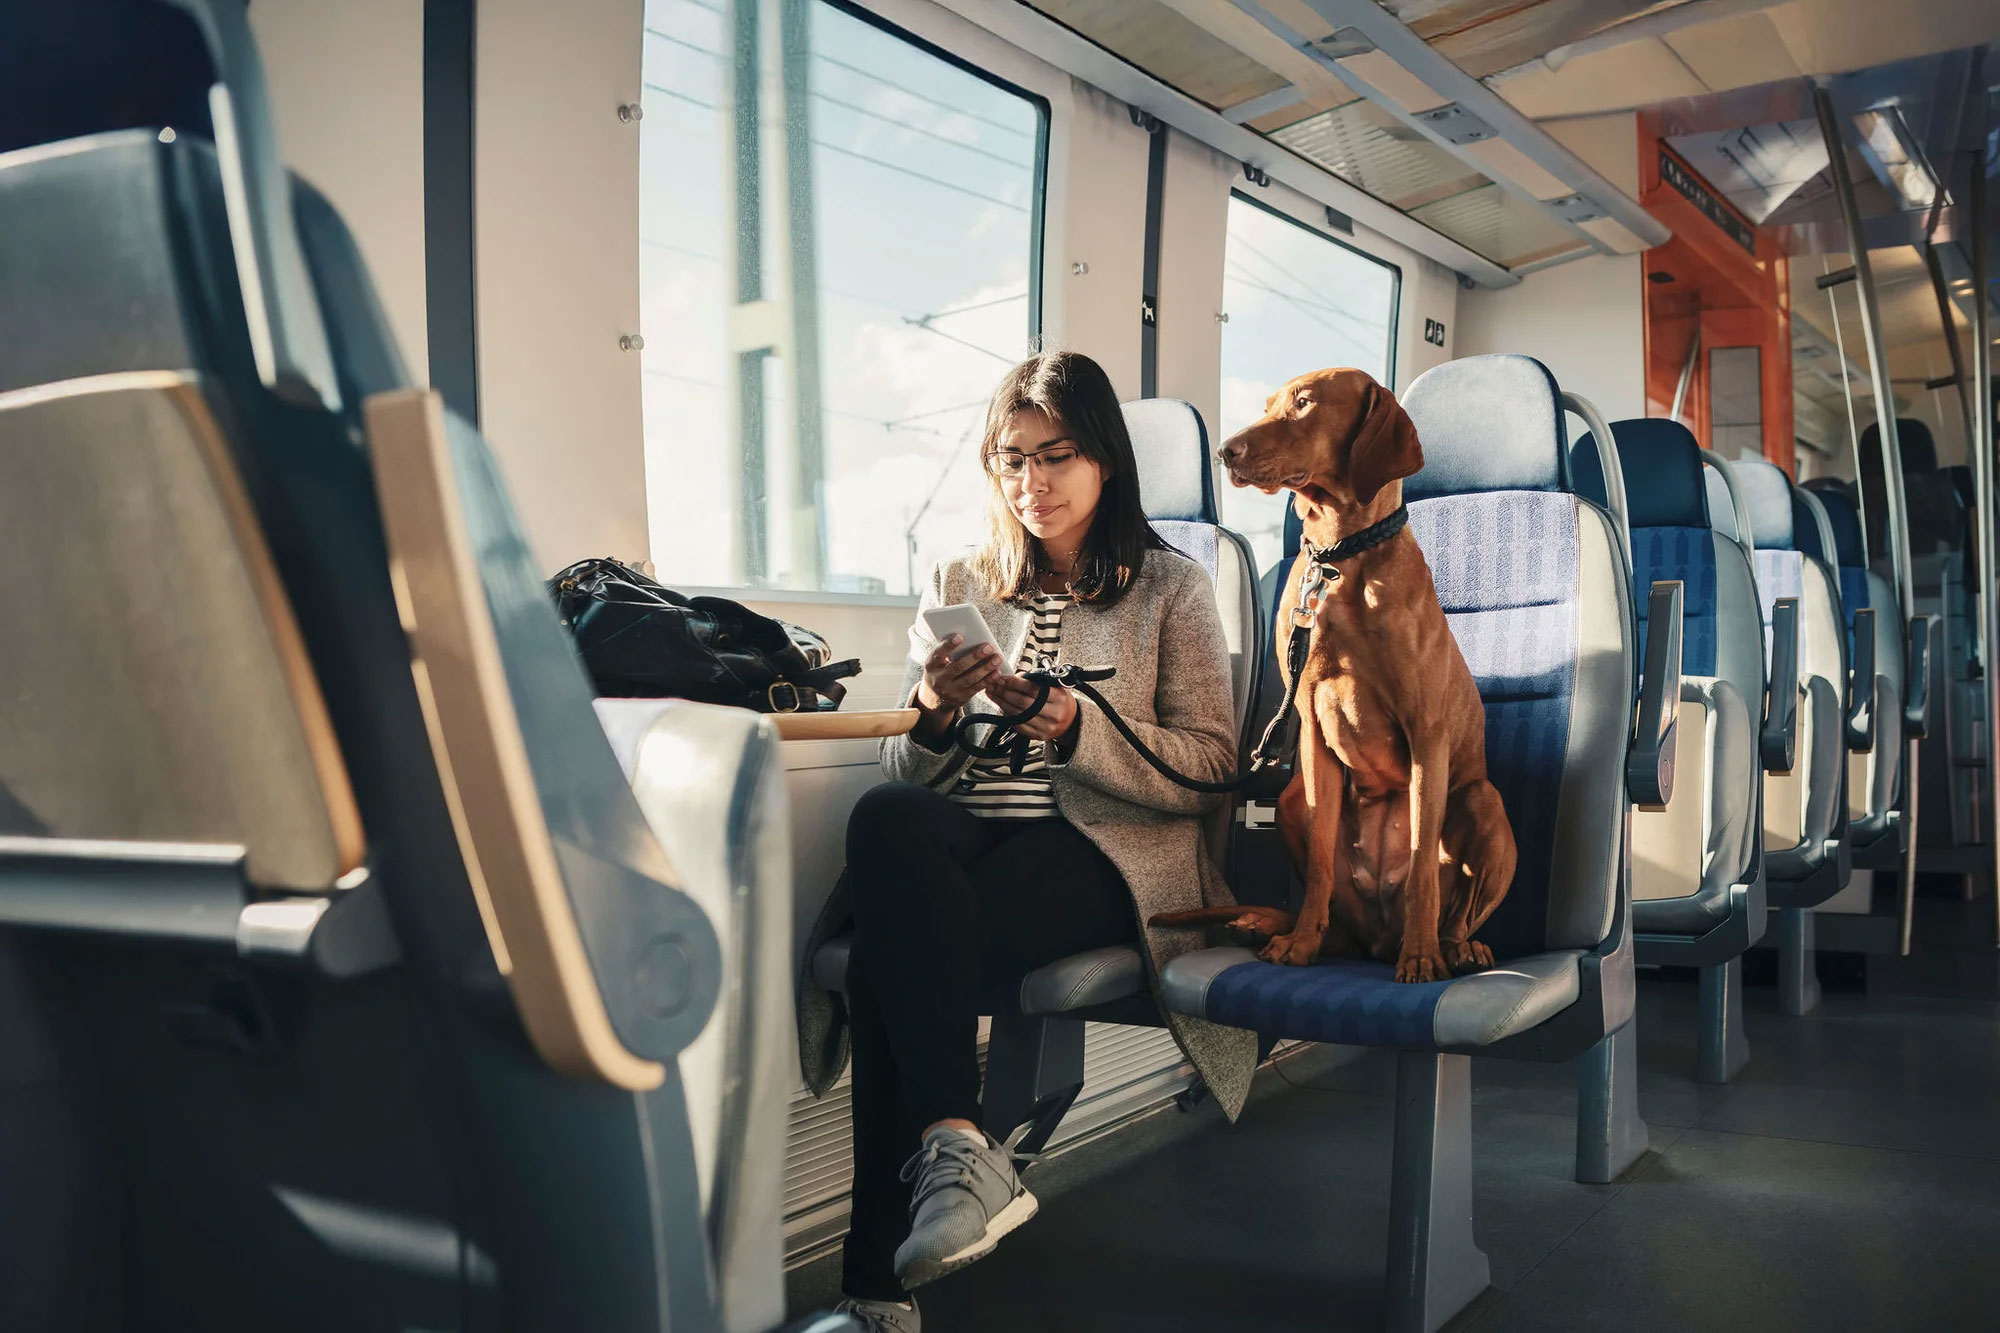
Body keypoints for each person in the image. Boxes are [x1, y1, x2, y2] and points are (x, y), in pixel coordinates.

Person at [832, 351, 1256, 1332]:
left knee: (885, 965)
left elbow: (1209, 768)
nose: (1031, 482)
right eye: (1009, 459)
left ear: (1104, 458)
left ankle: (874, 1279)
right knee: (880, 817)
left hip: (1105, 854)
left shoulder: (1170, 588)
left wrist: (1070, 725)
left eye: (1055, 456)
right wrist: (932, 708)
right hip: (972, 844)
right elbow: (913, 777)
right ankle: (957, 1141)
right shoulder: (962, 580)